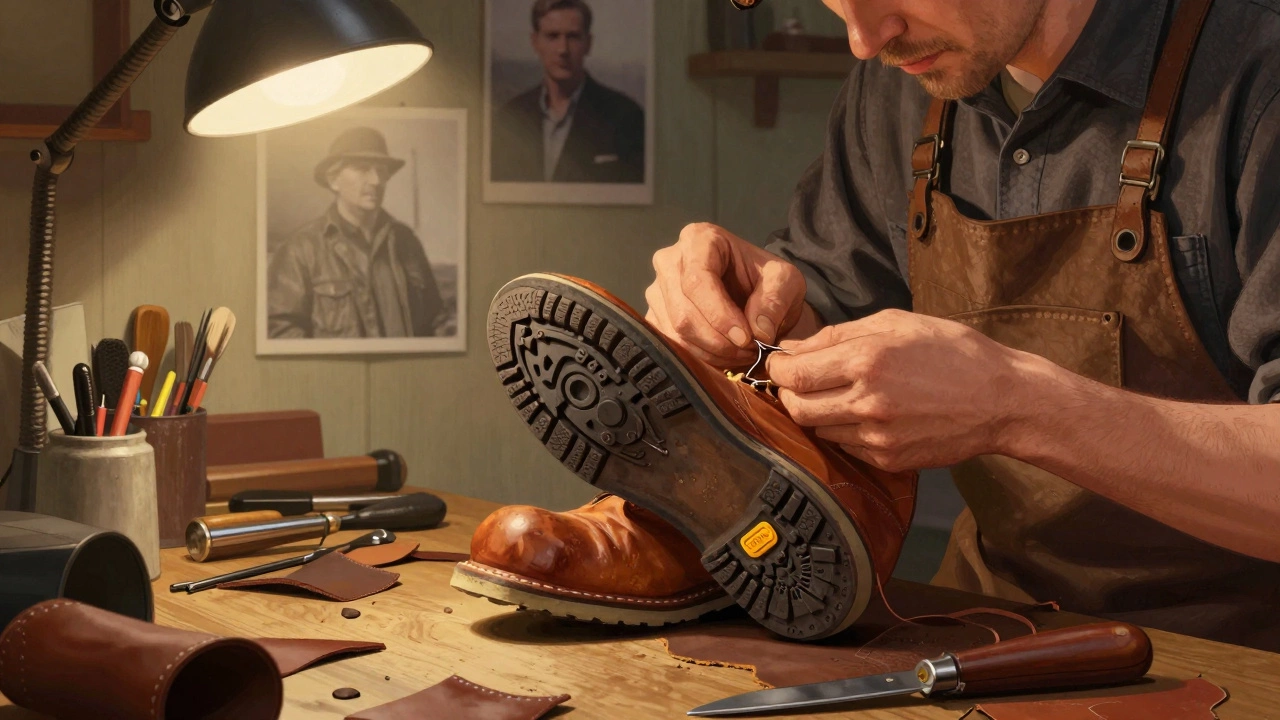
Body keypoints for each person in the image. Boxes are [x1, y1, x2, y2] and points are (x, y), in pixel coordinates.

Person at [643, 0, 1280, 650]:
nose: (865, 40)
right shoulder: (909, 76)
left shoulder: (1258, 62)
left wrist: (1018, 406)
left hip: (1244, 650)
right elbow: (834, 302)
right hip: (997, 627)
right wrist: (762, 314)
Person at [268, 126, 443, 339]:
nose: (376, 181)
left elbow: (436, 323)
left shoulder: (406, 242)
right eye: (362, 169)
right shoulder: (301, 249)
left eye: (382, 170)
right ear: (333, 180)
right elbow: (281, 331)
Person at [490, 0, 645, 184]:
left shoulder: (626, 118)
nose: (563, 49)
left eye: (572, 37)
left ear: (588, 43)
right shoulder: (509, 117)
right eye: (552, 36)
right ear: (535, 42)